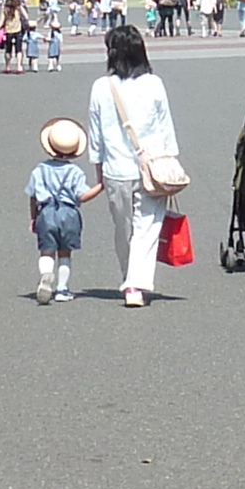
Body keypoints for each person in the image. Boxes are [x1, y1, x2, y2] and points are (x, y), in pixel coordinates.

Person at [79, 20, 186, 307]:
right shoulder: (154, 84)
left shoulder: (102, 87)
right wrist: (171, 160)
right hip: (152, 168)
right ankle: (135, 284)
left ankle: (130, 280)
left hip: (116, 169)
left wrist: (97, 167)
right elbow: (166, 127)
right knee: (147, 227)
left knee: (123, 227)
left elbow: (95, 132)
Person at [28, 119, 94, 301]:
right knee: (65, 252)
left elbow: (33, 196)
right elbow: (82, 196)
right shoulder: (76, 172)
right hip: (69, 213)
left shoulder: (39, 170)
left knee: (46, 251)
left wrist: (33, 218)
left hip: (46, 212)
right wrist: (100, 187)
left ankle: (46, 275)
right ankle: (62, 289)